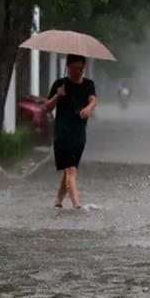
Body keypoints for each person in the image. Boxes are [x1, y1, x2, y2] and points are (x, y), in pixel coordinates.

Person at [45, 54, 97, 209]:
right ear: (67, 67)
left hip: (79, 134)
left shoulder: (88, 84)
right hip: (62, 133)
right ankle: (77, 205)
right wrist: (57, 96)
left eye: (80, 68)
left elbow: (93, 100)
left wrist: (89, 108)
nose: (77, 71)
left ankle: (58, 200)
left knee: (70, 169)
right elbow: (47, 108)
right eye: (74, 68)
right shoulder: (60, 84)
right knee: (71, 169)